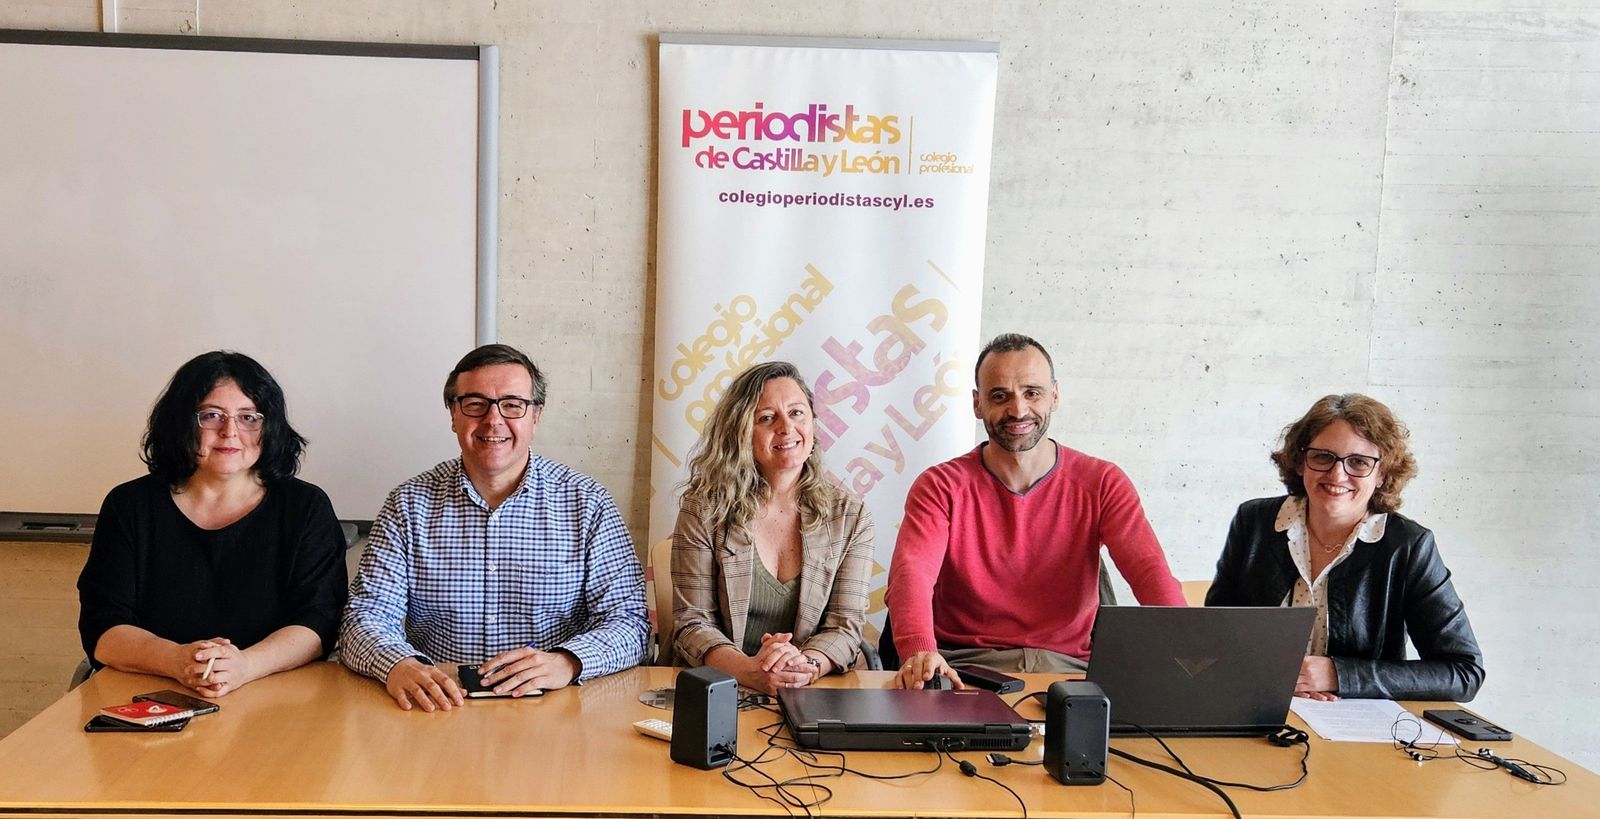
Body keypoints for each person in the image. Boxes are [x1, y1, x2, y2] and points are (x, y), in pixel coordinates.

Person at [339, 343, 648, 711]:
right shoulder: (408, 505)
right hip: (439, 705)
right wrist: (399, 665)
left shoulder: (588, 504)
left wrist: (566, 662)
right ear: (454, 415)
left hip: (555, 711)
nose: (493, 420)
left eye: (512, 405)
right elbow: (364, 617)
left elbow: (631, 624)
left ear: (536, 416)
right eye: (475, 404)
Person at [887, 333, 1186, 689]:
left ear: (1055, 396)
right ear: (977, 404)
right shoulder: (940, 485)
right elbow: (912, 576)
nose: (1018, 410)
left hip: (1071, 671)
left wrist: (1187, 651)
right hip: (966, 669)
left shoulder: (1103, 481)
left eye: (1032, 393)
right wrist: (919, 652)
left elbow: (1149, 572)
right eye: (1000, 396)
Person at [77, 351, 347, 698]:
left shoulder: (305, 507)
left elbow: (319, 621)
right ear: (181, 423)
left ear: (270, 427)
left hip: (272, 695)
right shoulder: (130, 506)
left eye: (249, 417)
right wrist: (177, 660)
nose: (230, 431)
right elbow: (104, 627)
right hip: (151, 692)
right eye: (211, 415)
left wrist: (244, 666)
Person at [1205, 394, 1484, 701]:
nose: (1337, 475)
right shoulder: (1254, 523)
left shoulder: (1407, 546)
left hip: (1353, 724)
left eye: (1359, 462)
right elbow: (1215, 637)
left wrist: (1339, 675)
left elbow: (1463, 672)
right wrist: (1273, 680)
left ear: (1382, 475)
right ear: (1300, 463)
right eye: (1323, 457)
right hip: (1256, 704)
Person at [671, 362, 873, 694]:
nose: (786, 428)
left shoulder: (850, 517)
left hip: (808, 689)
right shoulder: (703, 509)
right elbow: (692, 623)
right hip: (716, 687)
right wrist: (749, 671)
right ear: (741, 433)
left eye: (797, 413)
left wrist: (802, 667)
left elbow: (845, 625)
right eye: (767, 418)